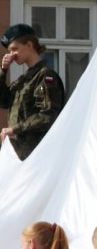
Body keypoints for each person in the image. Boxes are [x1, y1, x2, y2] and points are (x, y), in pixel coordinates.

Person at [0, 24, 65, 160]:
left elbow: (48, 116)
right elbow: (4, 101)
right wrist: (3, 71)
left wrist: (14, 129)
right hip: (18, 155)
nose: (11, 54)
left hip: (36, 155)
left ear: (29, 45)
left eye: (14, 49)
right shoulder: (24, 79)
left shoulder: (46, 76)